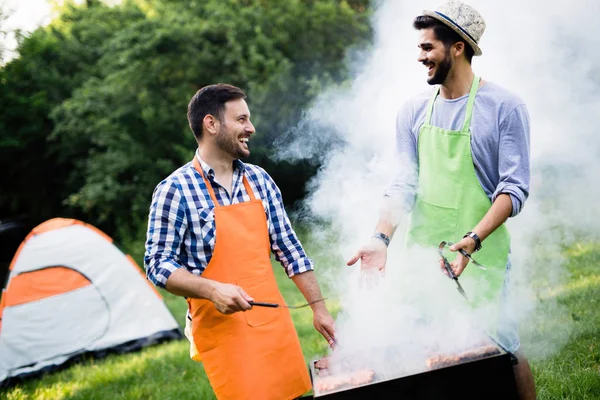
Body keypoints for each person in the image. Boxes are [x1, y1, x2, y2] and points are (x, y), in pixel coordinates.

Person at [347, 1, 536, 399]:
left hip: (481, 254)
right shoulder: (414, 110)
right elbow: (403, 184)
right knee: (430, 351)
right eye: (419, 48)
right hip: (425, 257)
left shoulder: (505, 107)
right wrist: (380, 239)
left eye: (428, 47)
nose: (421, 57)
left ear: (458, 48)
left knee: (505, 349)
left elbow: (513, 189)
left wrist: (473, 238)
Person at [144, 83, 335, 400]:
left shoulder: (260, 179)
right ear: (211, 124)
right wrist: (212, 289)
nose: (251, 128)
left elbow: (290, 251)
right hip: (223, 332)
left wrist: (319, 309)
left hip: (273, 324)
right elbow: (157, 265)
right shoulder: (174, 189)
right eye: (242, 119)